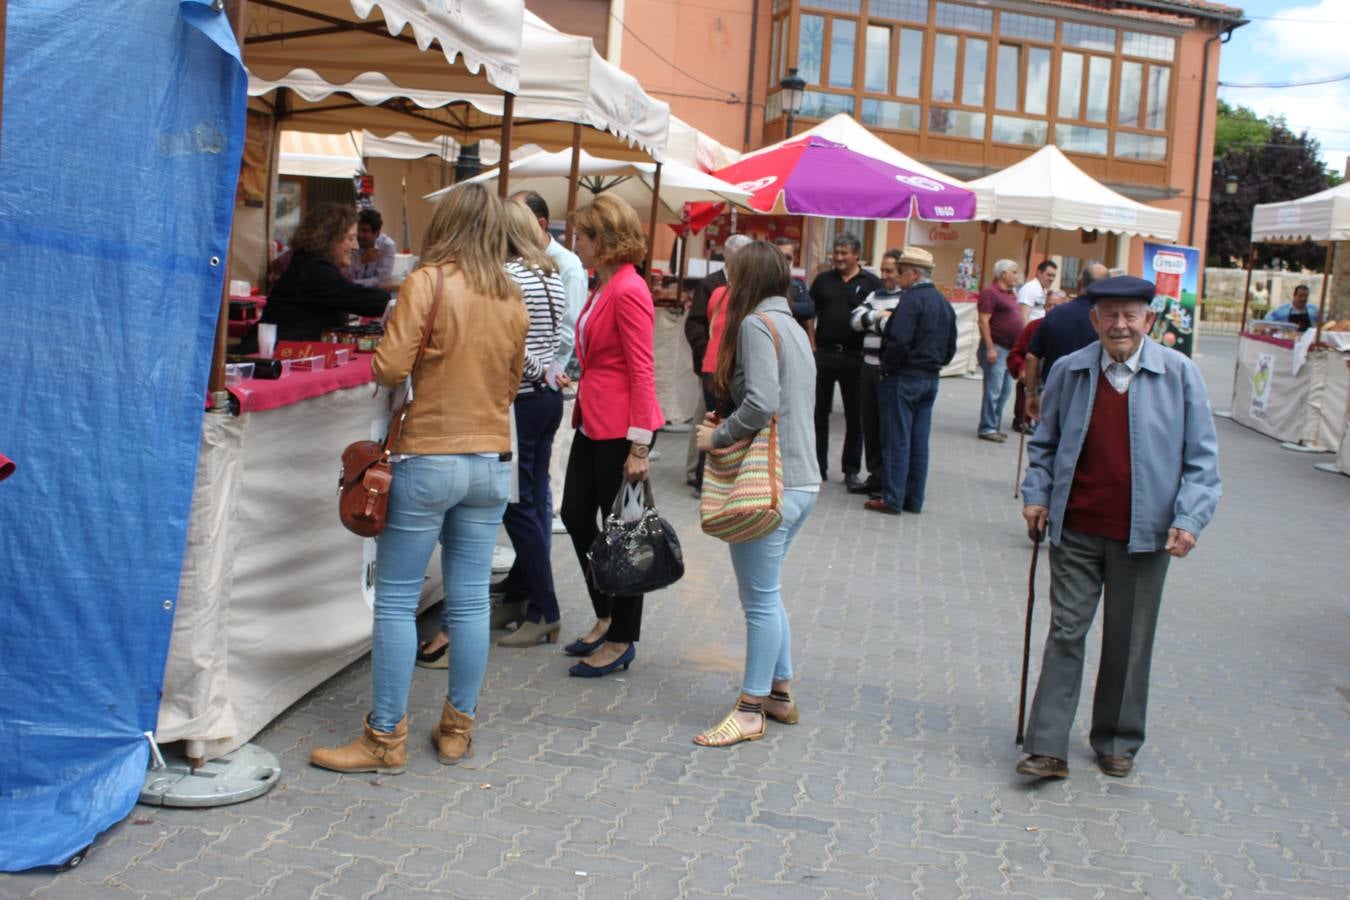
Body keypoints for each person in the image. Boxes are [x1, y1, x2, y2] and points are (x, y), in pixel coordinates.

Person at [310, 184, 529, 774]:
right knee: (469, 603)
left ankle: (385, 739)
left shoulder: (427, 282)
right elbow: (513, 383)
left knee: (398, 600)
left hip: (428, 454)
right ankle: (457, 729)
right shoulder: (511, 295)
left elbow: (388, 366)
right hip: (489, 461)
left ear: (448, 225)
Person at [1016, 275, 1221, 780]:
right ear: (1095, 320)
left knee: (1129, 640)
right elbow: (1044, 444)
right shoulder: (1070, 370)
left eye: (1130, 315)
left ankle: (1116, 739)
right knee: (1066, 631)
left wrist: (1190, 518)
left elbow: (1202, 460)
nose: (1120, 325)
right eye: (1110, 315)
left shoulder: (1179, 374)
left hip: (1144, 535)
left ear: (1148, 321)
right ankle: (1048, 746)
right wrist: (1037, 495)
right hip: (1077, 527)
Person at [693, 241, 817, 746]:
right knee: (768, 595)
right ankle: (779, 694)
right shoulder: (792, 325)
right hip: (801, 480)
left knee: (759, 602)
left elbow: (763, 402)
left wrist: (717, 437)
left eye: (731, 272)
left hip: (772, 482)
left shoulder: (753, 325)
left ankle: (750, 709)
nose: (725, 280)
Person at [559, 194, 664, 678]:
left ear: (601, 240)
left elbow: (643, 368)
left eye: (580, 235)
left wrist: (640, 444)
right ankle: (606, 615)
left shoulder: (628, 289)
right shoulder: (607, 286)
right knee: (576, 515)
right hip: (596, 418)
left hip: (624, 428)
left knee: (624, 534)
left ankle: (622, 637)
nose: (574, 242)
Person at [510, 191, 587, 533]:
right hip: (541, 383)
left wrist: (549, 373)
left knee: (532, 488)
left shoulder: (563, 264)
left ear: (539, 224)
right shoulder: (537, 266)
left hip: (543, 384)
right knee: (533, 485)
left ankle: (536, 581)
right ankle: (530, 574)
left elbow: (567, 330)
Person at [865, 247, 956, 516]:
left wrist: (887, 368)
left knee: (897, 439)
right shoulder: (942, 302)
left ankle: (893, 497)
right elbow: (951, 346)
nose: (900, 278)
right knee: (919, 441)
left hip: (904, 377)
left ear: (914, 274)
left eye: (903, 272)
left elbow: (898, 341)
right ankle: (914, 499)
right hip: (930, 377)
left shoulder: (911, 301)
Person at [257, 203, 392, 342]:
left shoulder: (308, 262)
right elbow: (357, 298)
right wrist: (399, 300)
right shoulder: (314, 269)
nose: (356, 246)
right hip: (274, 356)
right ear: (329, 238)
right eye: (350, 239)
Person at [810, 232, 882, 488]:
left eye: (844, 253)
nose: (839, 258)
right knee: (818, 413)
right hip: (825, 354)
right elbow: (810, 313)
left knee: (856, 416)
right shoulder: (822, 280)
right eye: (836, 252)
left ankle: (851, 470)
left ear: (856, 255)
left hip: (855, 357)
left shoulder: (872, 283)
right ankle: (817, 467)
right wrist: (812, 345)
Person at [849, 248, 905, 498]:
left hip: (887, 369)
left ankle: (887, 480)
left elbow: (895, 329)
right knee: (868, 424)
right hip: (867, 366)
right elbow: (854, 320)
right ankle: (874, 474)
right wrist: (880, 316)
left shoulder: (907, 297)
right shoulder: (875, 294)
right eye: (882, 270)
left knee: (887, 426)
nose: (884, 275)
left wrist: (876, 319)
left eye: (889, 271)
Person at [1024, 263, 1109, 423]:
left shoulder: (1055, 314)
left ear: (1080, 282)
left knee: (1047, 443)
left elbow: (1031, 357)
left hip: (1053, 391)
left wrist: (1030, 393)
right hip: (1093, 397)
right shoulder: (1108, 319)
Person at [976, 259, 1023, 442]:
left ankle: (993, 424)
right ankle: (987, 427)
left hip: (1008, 349)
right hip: (996, 347)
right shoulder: (990, 292)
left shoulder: (1010, 293)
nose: (1017, 276)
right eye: (1014, 272)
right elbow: (983, 321)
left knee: (1004, 391)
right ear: (1003, 274)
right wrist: (989, 348)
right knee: (993, 390)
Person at [1009, 289, 1068, 433]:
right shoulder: (1034, 326)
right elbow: (1016, 354)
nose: (1052, 310)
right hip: (1033, 384)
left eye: (1057, 306)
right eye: (1049, 306)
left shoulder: (1069, 328)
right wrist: (1022, 368)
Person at [347, 207, 398, 287]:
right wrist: (362, 261)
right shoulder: (351, 242)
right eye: (358, 230)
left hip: (376, 292)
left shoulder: (387, 245)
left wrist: (354, 282)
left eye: (365, 231)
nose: (359, 235)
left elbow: (382, 280)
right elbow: (346, 275)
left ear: (377, 234)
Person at [772, 237, 815, 329]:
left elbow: (809, 309)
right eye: (779, 256)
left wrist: (778, 306)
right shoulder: (761, 282)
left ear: (793, 259)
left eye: (788, 257)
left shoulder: (798, 284)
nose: (783, 261)